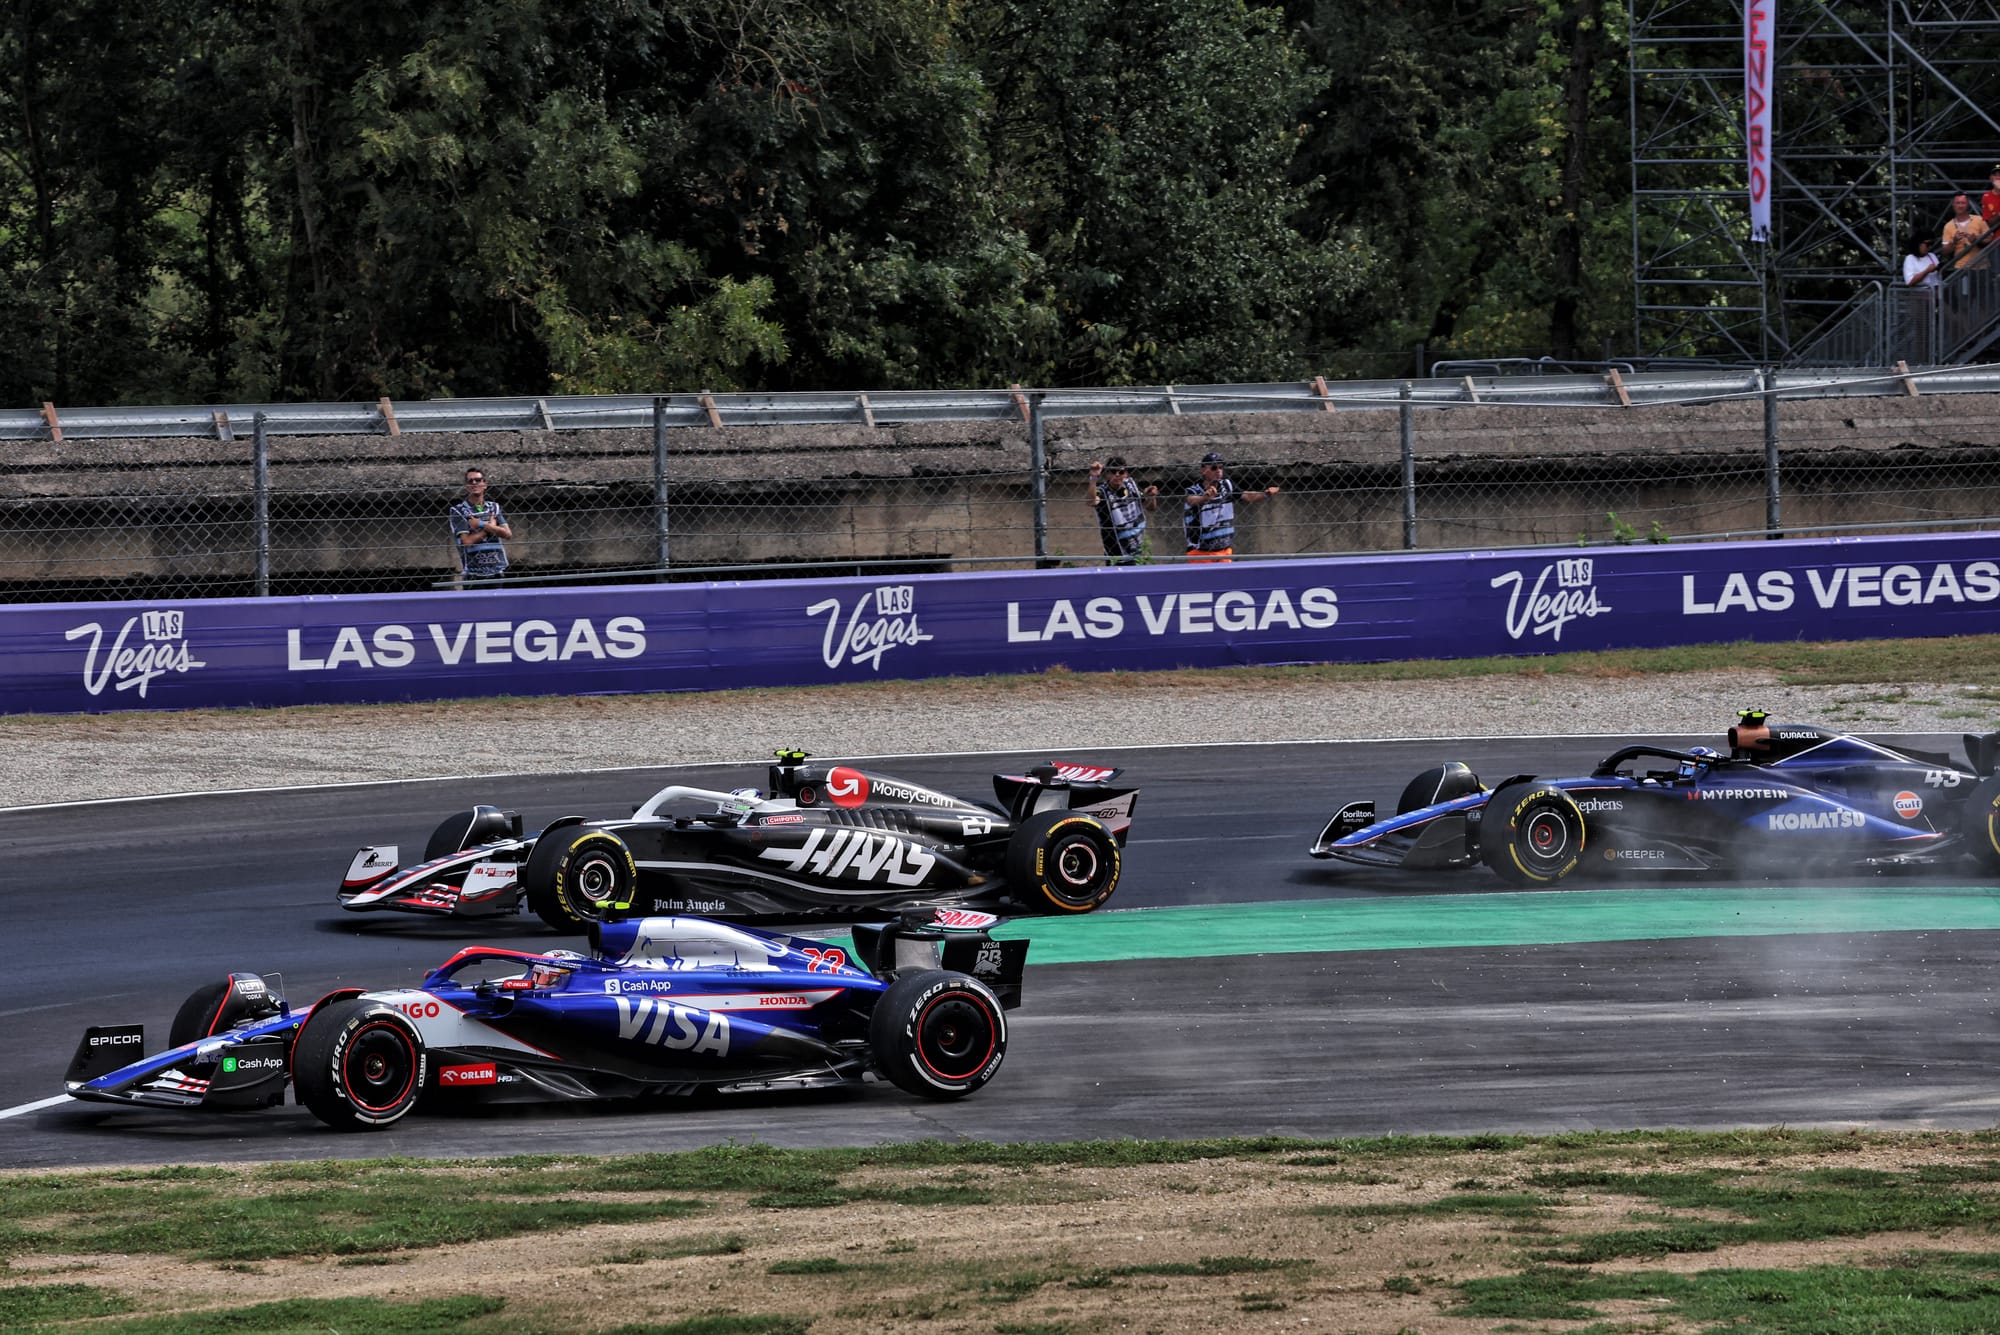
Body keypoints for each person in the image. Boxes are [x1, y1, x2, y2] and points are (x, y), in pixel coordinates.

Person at [1182, 450, 1278, 564]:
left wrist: (1265, 494)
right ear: (1203, 470)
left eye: (1220, 467)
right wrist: (1205, 498)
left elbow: (1246, 496)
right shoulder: (1194, 490)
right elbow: (1191, 500)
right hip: (1200, 552)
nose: (1218, 471)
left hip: (1224, 551)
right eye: (1213, 468)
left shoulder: (1227, 485)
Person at [1086, 455, 1159, 564]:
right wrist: (1093, 478)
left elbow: (1150, 508)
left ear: (1126, 474)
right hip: (1116, 551)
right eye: (1113, 471)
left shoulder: (1130, 485)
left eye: (1121, 472)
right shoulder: (1103, 491)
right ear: (1107, 474)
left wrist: (1151, 497)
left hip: (1138, 549)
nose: (1117, 475)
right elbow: (1091, 501)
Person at [450, 466, 513, 580]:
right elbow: (467, 541)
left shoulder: (494, 507)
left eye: (478, 480)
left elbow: (507, 534)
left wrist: (481, 525)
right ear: (466, 486)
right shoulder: (458, 510)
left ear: (485, 484)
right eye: (470, 481)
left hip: (498, 569)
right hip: (474, 573)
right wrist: (491, 528)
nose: (474, 483)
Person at [1940, 192, 1990, 268]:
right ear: (1953, 205)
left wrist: (1976, 240)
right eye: (1958, 203)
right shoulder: (1948, 226)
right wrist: (1954, 241)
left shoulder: (1979, 220)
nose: (1960, 206)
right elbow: (1945, 251)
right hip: (1961, 268)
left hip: (1981, 266)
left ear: (1968, 205)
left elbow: (1990, 240)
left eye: (1963, 203)